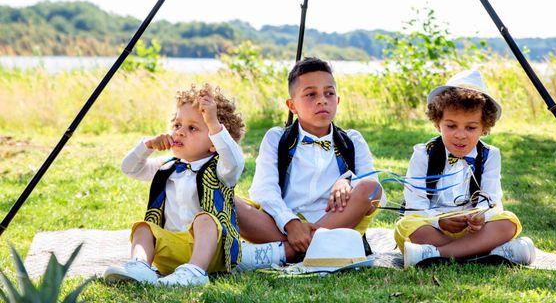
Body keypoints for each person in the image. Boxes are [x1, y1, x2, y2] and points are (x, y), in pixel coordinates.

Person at [235, 57, 384, 270]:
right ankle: (316, 249)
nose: (322, 100)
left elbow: (374, 190)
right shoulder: (277, 138)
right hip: (282, 226)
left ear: (338, 100)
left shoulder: (352, 140)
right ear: (292, 105)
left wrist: (348, 181)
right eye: (310, 94)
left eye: (329, 93)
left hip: (336, 223)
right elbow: (263, 189)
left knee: (371, 189)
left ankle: (287, 252)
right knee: (226, 198)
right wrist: (291, 223)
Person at [104, 84, 245, 286]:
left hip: (211, 253)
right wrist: (148, 145)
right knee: (144, 228)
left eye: (192, 128)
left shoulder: (221, 169)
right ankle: (140, 266)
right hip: (171, 251)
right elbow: (130, 169)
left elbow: (236, 162)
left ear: (214, 142)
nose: (180, 132)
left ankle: (195, 273)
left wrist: (213, 123)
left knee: (205, 220)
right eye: (177, 125)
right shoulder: (166, 167)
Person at [394, 69, 536, 267]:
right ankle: (486, 252)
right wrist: (439, 221)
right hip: (433, 228)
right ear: (438, 123)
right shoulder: (423, 154)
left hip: (473, 231)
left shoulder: (490, 155)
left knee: (508, 222)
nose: (460, 135)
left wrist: (478, 218)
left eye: (470, 128)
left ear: (484, 127)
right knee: (406, 226)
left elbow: (491, 202)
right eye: (451, 126)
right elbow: (414, 205)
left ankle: (435, 254)